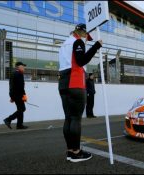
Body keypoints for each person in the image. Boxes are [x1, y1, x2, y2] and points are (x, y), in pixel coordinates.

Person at [58, 23, 102, 163]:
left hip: (63, 82)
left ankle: (70, 151)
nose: (85, 38)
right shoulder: (77, 41)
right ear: (82, 32)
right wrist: (96, 46)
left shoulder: (64, 43)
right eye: (85, 35)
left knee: (68, 118)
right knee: (76, 118)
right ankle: (76, 152)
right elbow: (81, 60)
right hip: (75, 81)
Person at [3, 61, 28, 130]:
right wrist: (24, 96)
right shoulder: (18, 74)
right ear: (18, 67)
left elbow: (13, 86)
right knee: (22, 109)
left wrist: (12, 96)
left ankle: (19, 125)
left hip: (16, 95)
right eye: (22, 66)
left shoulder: (15, 73)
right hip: (18, 95)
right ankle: (8, 119)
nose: (24, 68)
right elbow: (19, 87)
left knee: (20, 109)